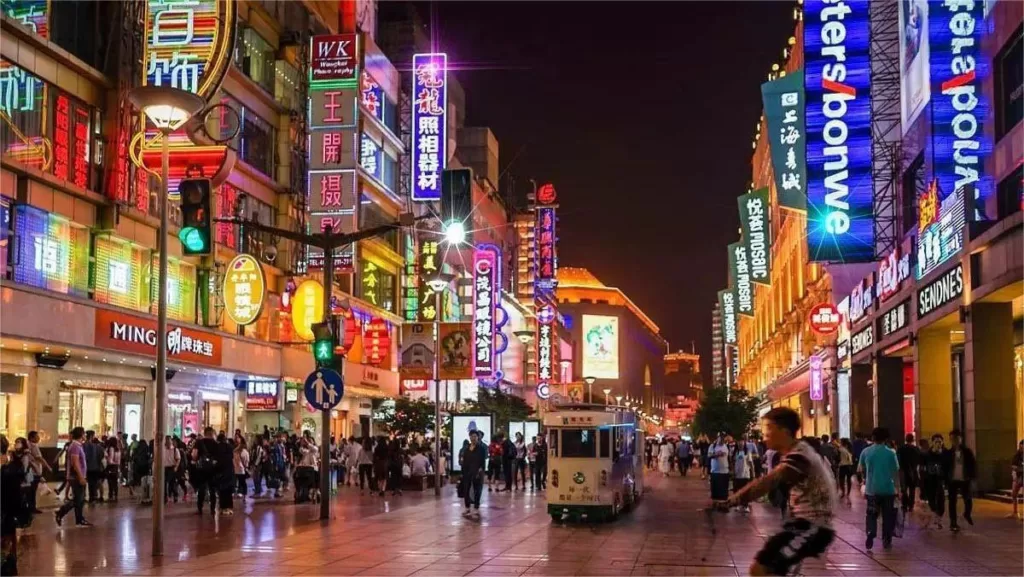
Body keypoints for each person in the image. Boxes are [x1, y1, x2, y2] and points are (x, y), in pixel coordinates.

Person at [716, 408, 837, 576]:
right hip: (800, 524)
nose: (764, 435)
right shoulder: (794, 453)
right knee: (760, 569)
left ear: (784, 431)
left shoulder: (800, 456)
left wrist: (732, 501)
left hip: (814, 527)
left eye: (769, 429)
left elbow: (768, 482)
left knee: (766, 569)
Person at [858, 427, 900, 550]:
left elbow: (860, 469)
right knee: (888, 516)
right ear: (886, 439)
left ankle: (871, 532)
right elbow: (895, 472)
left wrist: (864, 481)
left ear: (873, 437)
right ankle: (887, 538)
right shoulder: (891, 453)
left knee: (871, 514)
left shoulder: (866, 452)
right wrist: (898, 489)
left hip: (872, 489)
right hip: (888, 490)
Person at [2, 435, 33, 575]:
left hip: (6, 513)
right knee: (8, 540)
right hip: (8, 513)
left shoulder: (9, 469)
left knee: (6, 540)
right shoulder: (10, 468)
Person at [55, 427, 91, 527]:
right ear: (81, 435)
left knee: (79, 499)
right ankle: (61, 512)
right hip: (76, 477)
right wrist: (81, 477)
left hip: (77, 476)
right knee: (78, 499)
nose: (85, 435)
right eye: (84, 433)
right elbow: (75, 463)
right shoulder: (75, 446)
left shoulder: (77, 446)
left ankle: (79, 519)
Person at [944, 429, 975, 532]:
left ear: (961, 439)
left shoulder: (967, 452)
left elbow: (973, 465)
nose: (955, 441)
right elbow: (945, 467)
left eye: (956, 439)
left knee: (968, 499)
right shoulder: (948, 453)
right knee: (952, 502)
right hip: (952, 480)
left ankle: (967, 513)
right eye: (952, 439)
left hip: (964, 479)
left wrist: (971, 476)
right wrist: (945, 480)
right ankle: (953, 523)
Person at [191, 427, 220, 515]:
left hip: (202, 469)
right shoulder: (216, 444)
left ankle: (200, 508)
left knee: (201, 488)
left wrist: (195, 460)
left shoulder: (199, 442)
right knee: (212, 489)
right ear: (212, 433)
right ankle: (212, 509)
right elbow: (218, 457)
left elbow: (194, 455)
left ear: (205, 433)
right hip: (213, 469)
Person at [461, 430, 488, 517]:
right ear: (469, 437)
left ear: (478, 437)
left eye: (475, 436)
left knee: (477, 490)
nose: (473, 438)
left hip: (477, 472)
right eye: (472, 436)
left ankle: (476, 508)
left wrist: (480, 470)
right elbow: (464, 460)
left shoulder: (481, 448)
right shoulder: (467, 448)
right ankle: (467, 508)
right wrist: (463, 471)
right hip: (467, 471)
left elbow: (482, 461)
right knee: (466, 490)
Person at [923, 434, 947, 529]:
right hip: (930, 480)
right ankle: (935, 514)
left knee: (941, 499)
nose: (938, 444)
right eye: (936, 442)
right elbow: (922, 467)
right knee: (931, 499)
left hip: (940, 480)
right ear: (932, 443)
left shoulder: (945, 454)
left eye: (940, 442)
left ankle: (938, 517)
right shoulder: (927, 455)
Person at [25, 431, 49, 514]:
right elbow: (39, 458)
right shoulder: (34, 446)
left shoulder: (27, 445)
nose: (39, 438)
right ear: (32, 438)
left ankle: (29, 507)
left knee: (30, 491)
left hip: (29, 472)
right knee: (32, 491)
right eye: (37, 436)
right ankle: (32, 508)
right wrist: (48, 466)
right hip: (35, 472)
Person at [896, 434, 920, 512]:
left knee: (904, 489)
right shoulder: (916, 449)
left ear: (906, 439)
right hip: (913, 471)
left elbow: (898, 460)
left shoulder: (900, 448)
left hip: (903, 471)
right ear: (913, 440)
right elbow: (919, 460)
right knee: (912, 490)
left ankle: (904, 505)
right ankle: (911, 506)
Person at [215, 433, 235, 514]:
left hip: (220, 471)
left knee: (222, 490)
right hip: (229, 470)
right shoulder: (229, 447)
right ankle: (229, 507)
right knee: (228, 490)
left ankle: (222, 507)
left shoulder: (217, 447)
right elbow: (232, 457)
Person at [82, 431, 104, 503]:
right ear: (92, 436)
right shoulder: (97, 446)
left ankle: (84, 497)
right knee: (93, 483)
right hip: (95, 467)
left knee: (86, 483)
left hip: (86, 467)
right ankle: (93, 497)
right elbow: (101, 455)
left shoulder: (83, 445)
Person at [732, 440, 753, 513]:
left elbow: (751, 463)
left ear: (744, 443)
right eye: (738, 442)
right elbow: (733, 463)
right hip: (737, 475)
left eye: (741, 442)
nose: (740, 444)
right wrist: (733, 471)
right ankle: (737, 505)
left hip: (745, 475)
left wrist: (753, 473)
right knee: (737, 491)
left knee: (745, 492)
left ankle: (746, 506)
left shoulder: (747, 452)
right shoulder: (735, 452)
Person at [708, 433, 730, 501]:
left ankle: (723, 503)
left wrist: (730, 468)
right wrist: (717, 454)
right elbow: (709, 455)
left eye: (723, 438)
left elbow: (728, 457)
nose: (722, 439)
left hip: (724, 471)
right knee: (715, 491)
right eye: (721, 437)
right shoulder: (713, 446)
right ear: (717, 438)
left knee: (723, 491)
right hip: (715, 471)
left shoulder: (726, 446)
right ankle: (715, 503)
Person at [161, 436, 180, 504]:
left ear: (171, 441)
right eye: (166, 441)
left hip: (172, 468)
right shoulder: (162, 449)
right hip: (164, 468)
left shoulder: (175, 450)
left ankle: (175, 495)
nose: (168, 442)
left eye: (169, 441)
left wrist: (176, 467)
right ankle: (165, 498)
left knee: (172, 483)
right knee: (164, 483)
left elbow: (178, 459)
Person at [104, 437, 122, 502]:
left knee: (110, 482)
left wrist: (106, 456)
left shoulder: (111, 448)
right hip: (116, 467)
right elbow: (119, 460)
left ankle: (111, 496)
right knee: (115, 482)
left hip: (111, 466)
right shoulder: (118, 449)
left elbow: (110, 459)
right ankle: (116, 496)